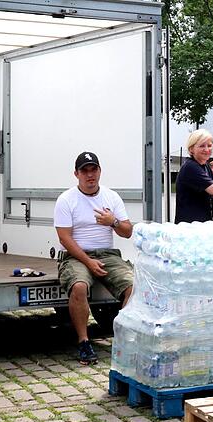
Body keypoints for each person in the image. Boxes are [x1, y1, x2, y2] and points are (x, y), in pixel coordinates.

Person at [54, 152, 134, 364]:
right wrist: (88, 262)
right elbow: (64, 238)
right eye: (85, 171)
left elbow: (127, 231)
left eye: (93, 170)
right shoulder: (66, 199)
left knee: (134, 287)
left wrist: (113, 222)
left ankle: (122, 337)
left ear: (100, 171)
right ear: (76, 174)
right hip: (76, 255)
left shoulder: (111, 197)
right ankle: (84, 342)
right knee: (79, 286)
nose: (90, 175)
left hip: (107, 254)